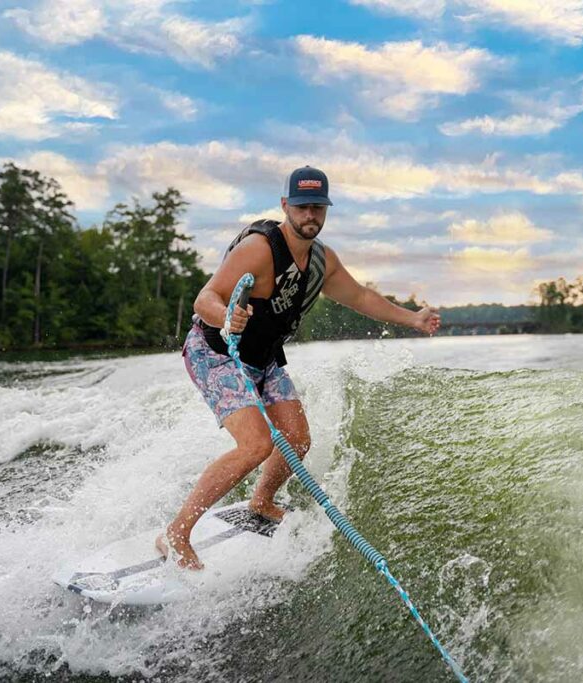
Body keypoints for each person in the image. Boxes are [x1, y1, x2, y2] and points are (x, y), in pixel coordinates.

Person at [158, 166, 441, 569]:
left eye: (319, 208)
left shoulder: (322, 261)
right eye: (304, 207)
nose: (311, 216)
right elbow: (205, 297)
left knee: (296, 438)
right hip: (216, 352)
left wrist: (412, 319)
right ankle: (176, 532)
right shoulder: (258, 248)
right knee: (256, 445)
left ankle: (261, 501)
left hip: (264, 357)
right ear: (286, 205)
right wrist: (225, 316)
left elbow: (360, 296)